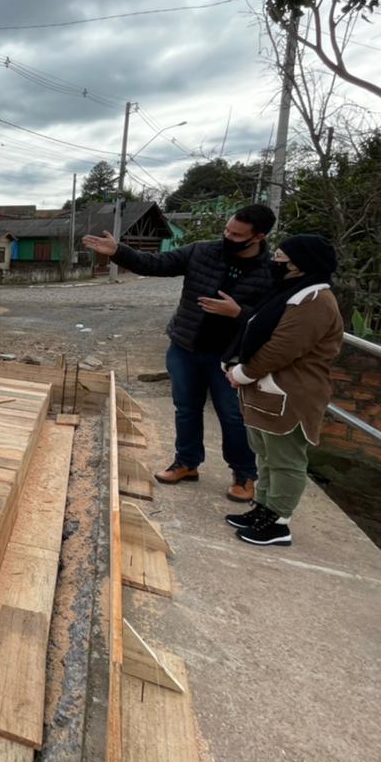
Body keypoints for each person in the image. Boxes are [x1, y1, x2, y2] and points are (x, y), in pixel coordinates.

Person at [82, 205, 276, 502]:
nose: (228, 237)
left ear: (258, 237)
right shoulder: (202, 251)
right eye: (227, 230)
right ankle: (186, 463)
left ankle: (244, 474)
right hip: (186, 347)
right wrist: (118, 251)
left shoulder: (270, 272)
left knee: (233, 416)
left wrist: (238, 313)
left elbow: (274, 320)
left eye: (237, 235)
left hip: (230, 358)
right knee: (186, 408)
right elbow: (155, 264)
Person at [223, 235, 343, 546]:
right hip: (268, 390)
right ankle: (263, 508)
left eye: (281, 257)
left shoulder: (314, 300)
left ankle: (278, 522)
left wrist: (243, 373)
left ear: (301, 264)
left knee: (285, 459)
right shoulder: (290, 292)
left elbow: (283, 348)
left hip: (292, 393)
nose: (275, 262)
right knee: (266, 455)